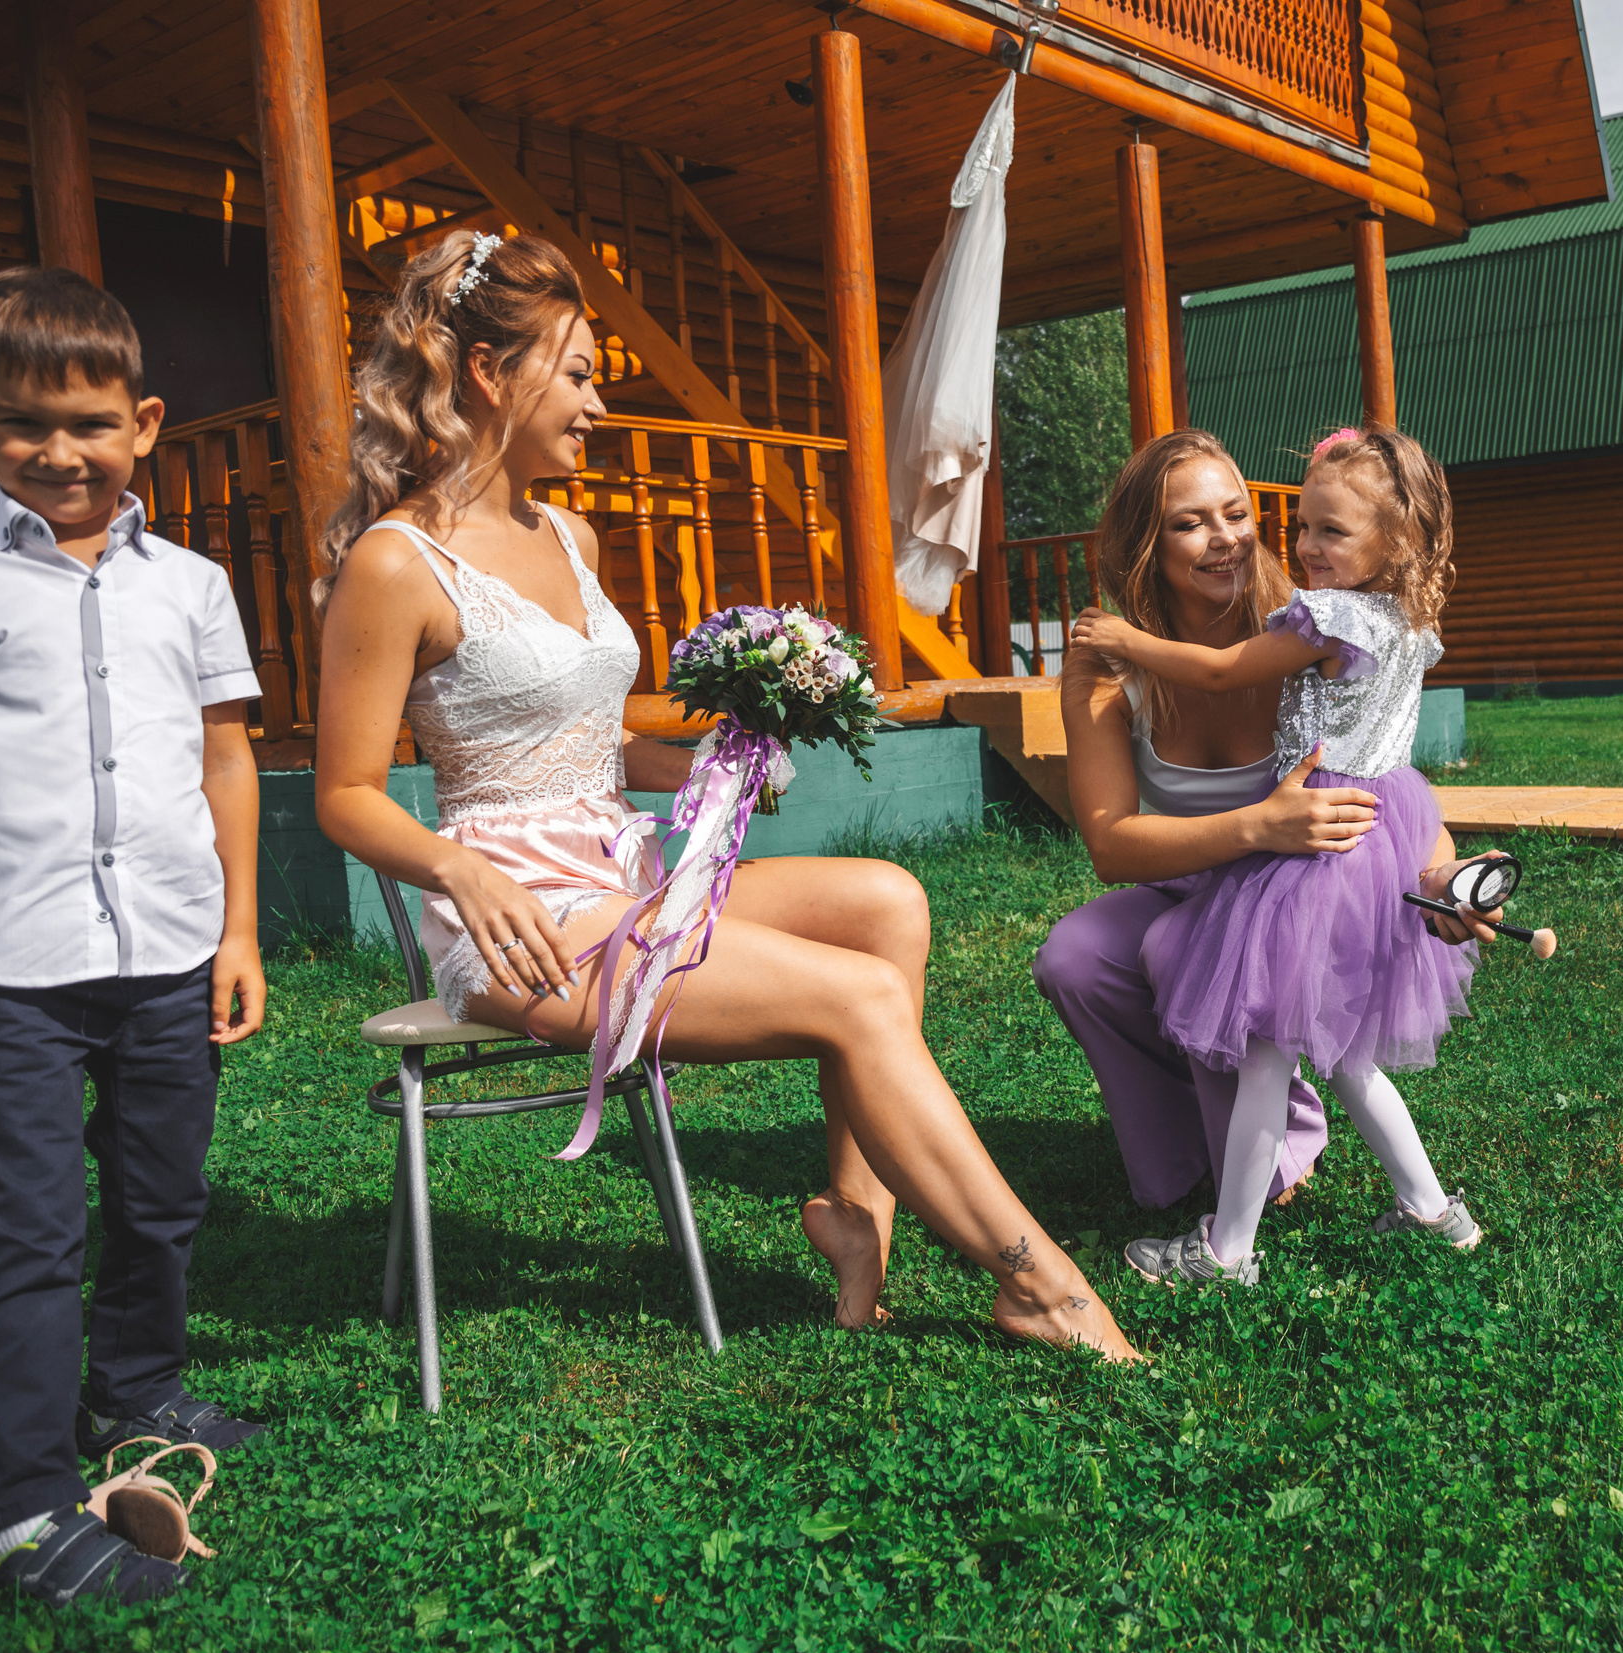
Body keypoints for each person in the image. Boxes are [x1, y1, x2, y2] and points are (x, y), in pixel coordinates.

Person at [310, 232, 1132, 1360]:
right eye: (582, 373)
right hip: (523, 923)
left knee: (885, 902)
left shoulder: (570, 532)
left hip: (625, 873)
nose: (598, 402)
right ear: (493, 376)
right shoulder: (398, 564)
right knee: (857, 999)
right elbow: (345, 795)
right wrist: (456, 869)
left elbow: (588, 745)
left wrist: (728, 765)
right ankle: (1039, 1285)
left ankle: (856, 1215)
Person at [0, 268, 269, 1607]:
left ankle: (136, 1388)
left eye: (89, 422)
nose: (57, 449)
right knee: (25, 1228)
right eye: (20, 423)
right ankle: (17, 1510)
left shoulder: (196, 585)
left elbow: (229, 757)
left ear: (146, 421)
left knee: (161, 1194)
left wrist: (239, 927)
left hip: (169, 946)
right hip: (7, 963)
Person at [1034, 429, 1499, 1223]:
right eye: (1190, 523)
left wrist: (1437, 878)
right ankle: (1181, 1151)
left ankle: (1278, 1149)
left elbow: (1382, 775)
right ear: (1148, 543)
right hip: (1198, 871)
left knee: (1179, 952)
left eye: (1237, 513)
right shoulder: (1109, 665)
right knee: (1073, 958)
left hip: (1293, 886)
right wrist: (1261, 825)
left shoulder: (1308, 617)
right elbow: (1112, 846)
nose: (1227, 540)